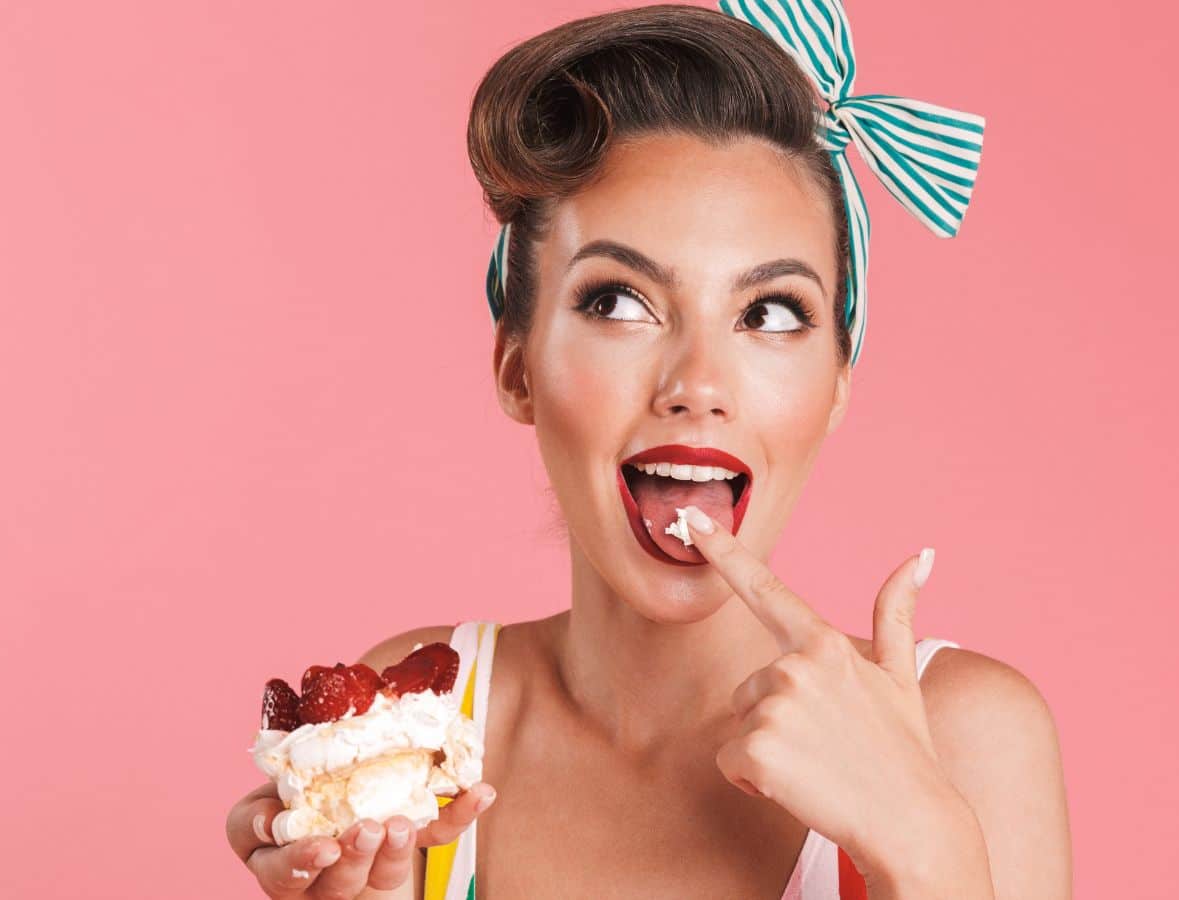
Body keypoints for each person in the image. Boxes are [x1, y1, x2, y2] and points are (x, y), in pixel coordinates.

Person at [225, 2, 1072, 897]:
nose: (697, 381)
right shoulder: (423, 723)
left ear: (835, 386)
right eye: (618, 303)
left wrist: (924, 842)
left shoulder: (965, 738)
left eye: (772, 313)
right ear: (518, 369)